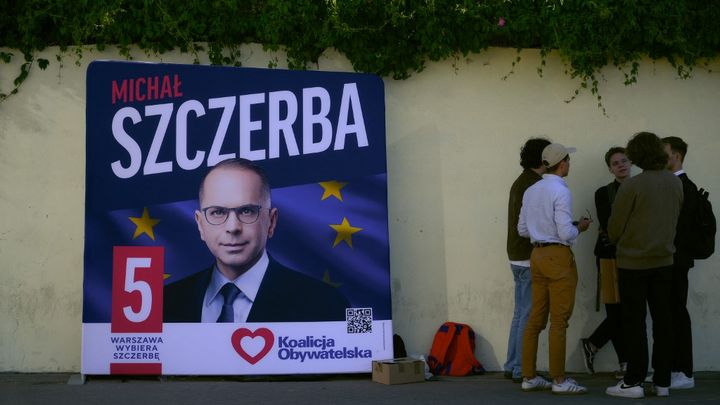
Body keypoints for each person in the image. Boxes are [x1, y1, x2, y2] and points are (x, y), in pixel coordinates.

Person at [163, 158, 350, 323]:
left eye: (246, 211)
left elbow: (364, 345)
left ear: (271, 221)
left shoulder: (329, 302)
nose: (233, 227)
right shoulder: (166, 302)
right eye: (218, 212)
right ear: (200, 224)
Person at [605, 132, 682, 399]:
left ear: (637, 154)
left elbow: (614, 227)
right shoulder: (675, 183)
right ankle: (662, 382)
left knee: (634, 323)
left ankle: (634, 381)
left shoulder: (632, 186)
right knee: (664, 321)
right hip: (665, 262)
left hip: (633, 264)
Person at [517, 143, 592, 395]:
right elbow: (565, 232)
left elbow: (523, 230)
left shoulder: (532, 189)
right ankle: (559, 380)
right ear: (562, 164)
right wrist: (579, 228)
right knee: (559, 321)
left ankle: (529, 376)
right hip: (557, 256)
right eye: (568, 161)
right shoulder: (561, 190)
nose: (569, 165)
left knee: (535, 319)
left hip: (536, 254)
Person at [504, 137, 551, 383]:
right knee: (528, 314)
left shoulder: (521, 181)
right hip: (527, 255)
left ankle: (512, 363)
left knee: (520, 313)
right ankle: (521, 367)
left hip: (516, 254)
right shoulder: (533, 184)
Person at [581, 147, 631, 379]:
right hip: (610, 257)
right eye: (615, 163)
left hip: (634, 257)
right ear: (610, 168)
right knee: (616, 311)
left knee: (628, 311)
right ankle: (624, 363)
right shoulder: (604, 193)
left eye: (624, 161)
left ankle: (593, 345)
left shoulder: (639, 187)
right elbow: (609, 223)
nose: (621, 165)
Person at [662, 136, 700, 390]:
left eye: (663, 153)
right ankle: (675, 368)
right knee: (671, 314)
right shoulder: (676, 185)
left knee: (677, 313)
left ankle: (683, 371)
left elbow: (682, 229)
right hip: (671, 259)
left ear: (676, 155)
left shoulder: (684, 186)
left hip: (677, 260)